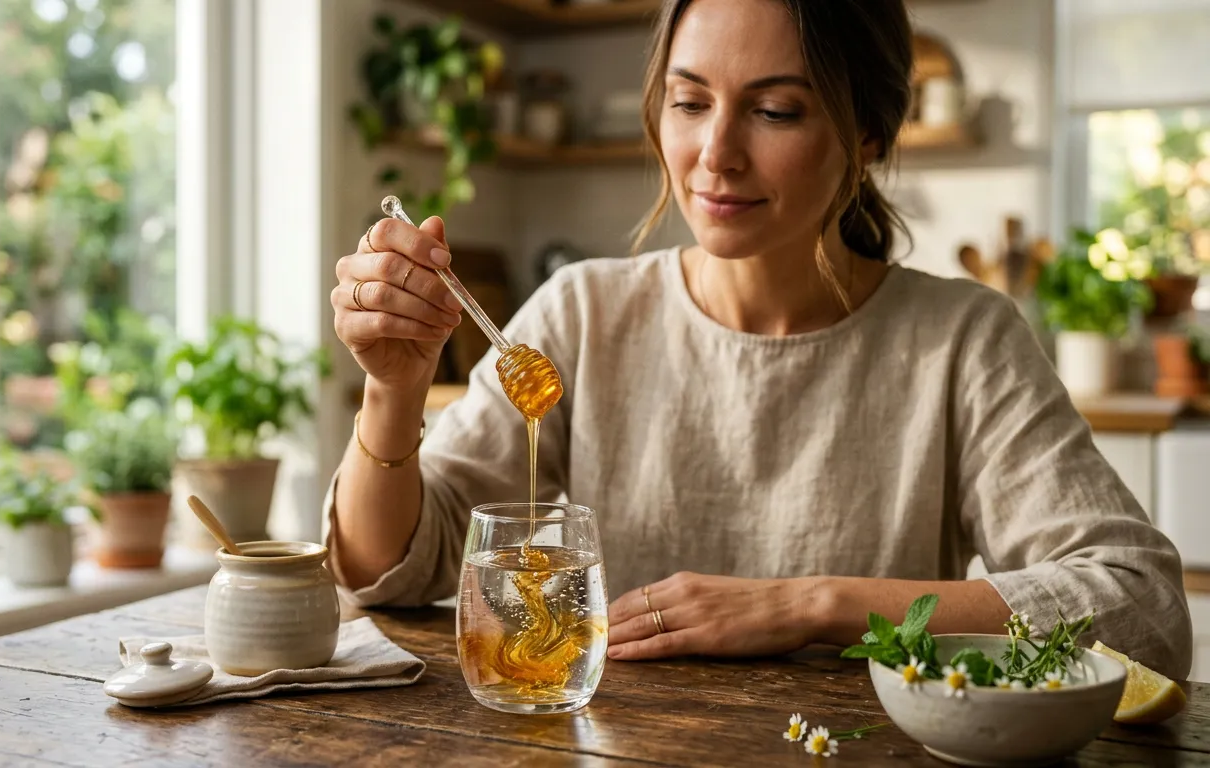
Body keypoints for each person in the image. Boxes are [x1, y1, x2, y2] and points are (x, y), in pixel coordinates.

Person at [324, 0, 1193, 678]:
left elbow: (1141, 609)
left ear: (867, 136)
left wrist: (811, 605)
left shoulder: (962, 341)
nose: (715, 154)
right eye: (690, 102)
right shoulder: (581, 314)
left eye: (774, 111)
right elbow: (393, 569)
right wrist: (393, 388)